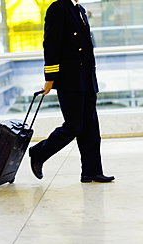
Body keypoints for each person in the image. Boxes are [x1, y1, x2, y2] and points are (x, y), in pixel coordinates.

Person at [29, 0, 115, 183]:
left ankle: (92, 171)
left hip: (86, 78)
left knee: (91, 127)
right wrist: (50, 78)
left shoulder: (80, 9)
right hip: (70, 78)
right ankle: (39, 152)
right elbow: (51, 43)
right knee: (74, 125)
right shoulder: (58, 8)